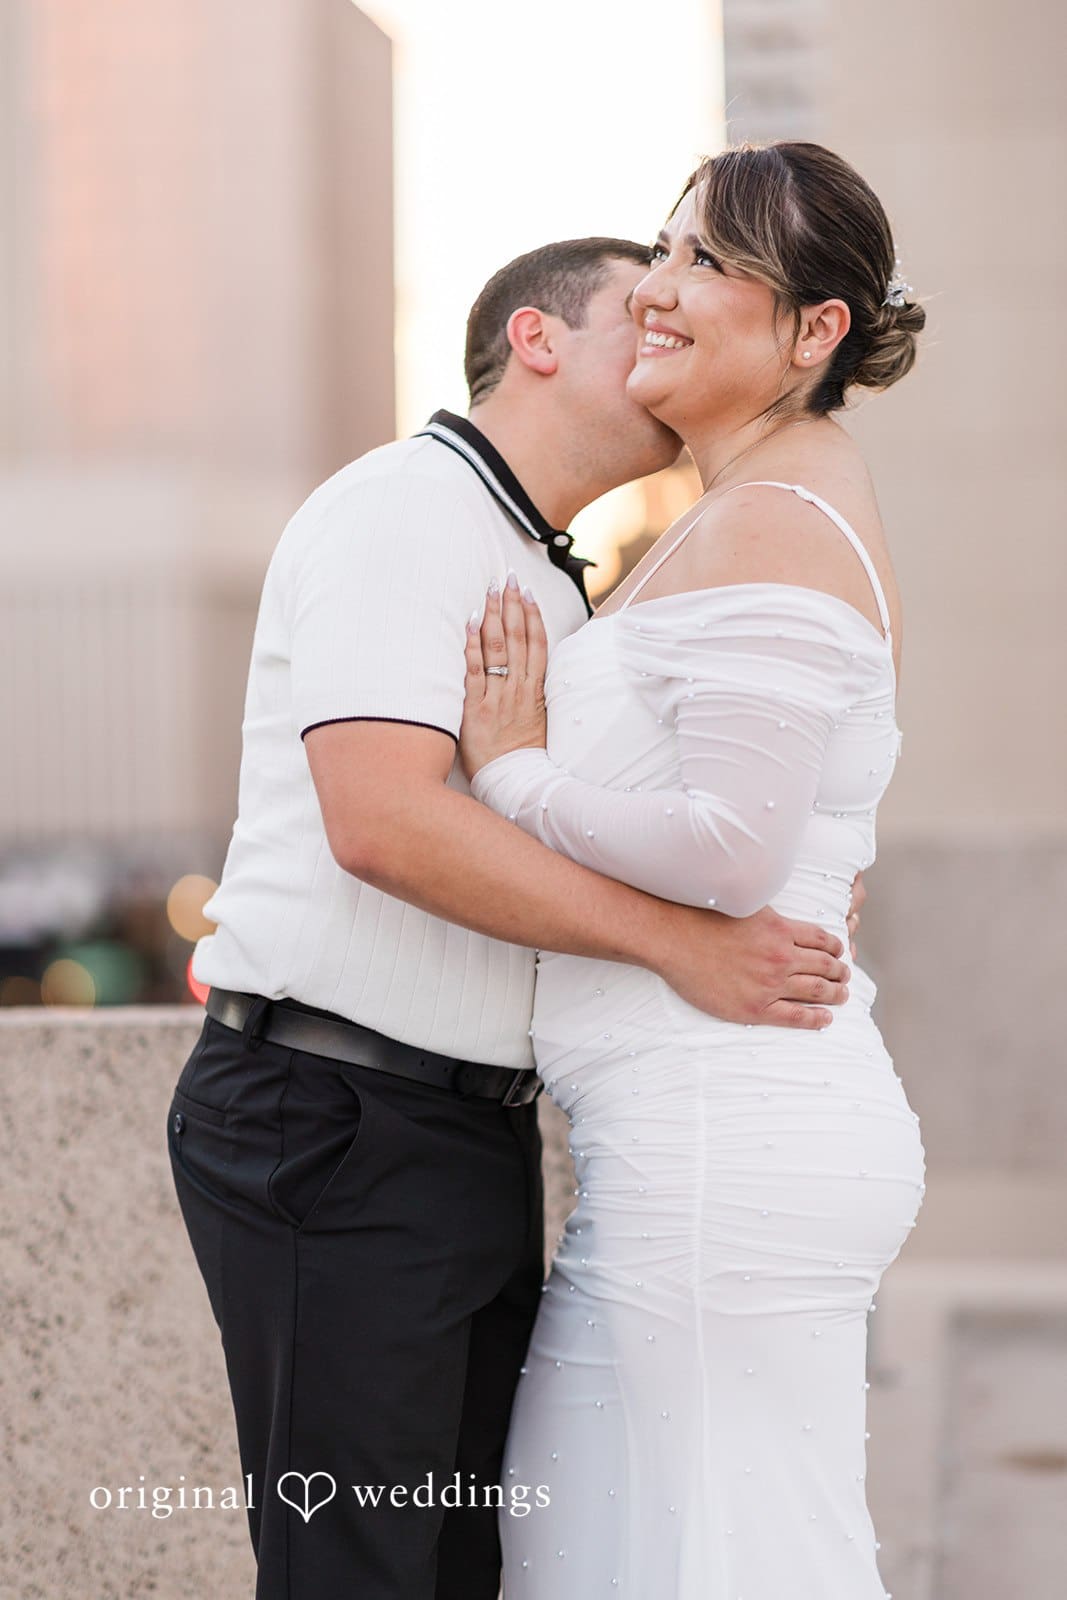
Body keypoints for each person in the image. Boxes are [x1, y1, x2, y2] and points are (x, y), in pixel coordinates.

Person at [166, 235, 859, 1600]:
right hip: (334, 1117)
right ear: (536, 340)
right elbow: (383, 822)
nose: (664, 341)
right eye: (637, 317)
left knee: (466, 1569)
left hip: (466, 1133)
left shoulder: (546, 569)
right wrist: (683, 947)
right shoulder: (404, 510)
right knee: (357, 1569)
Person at [458, 142, 928, 1598]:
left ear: (813, 331)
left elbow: (733, 847)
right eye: (667, 250)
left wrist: (514, 774)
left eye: (710, 263)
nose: (658, 290)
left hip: (728, 1153)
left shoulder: (774, 521)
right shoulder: (744, 507)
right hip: (694, 1146)